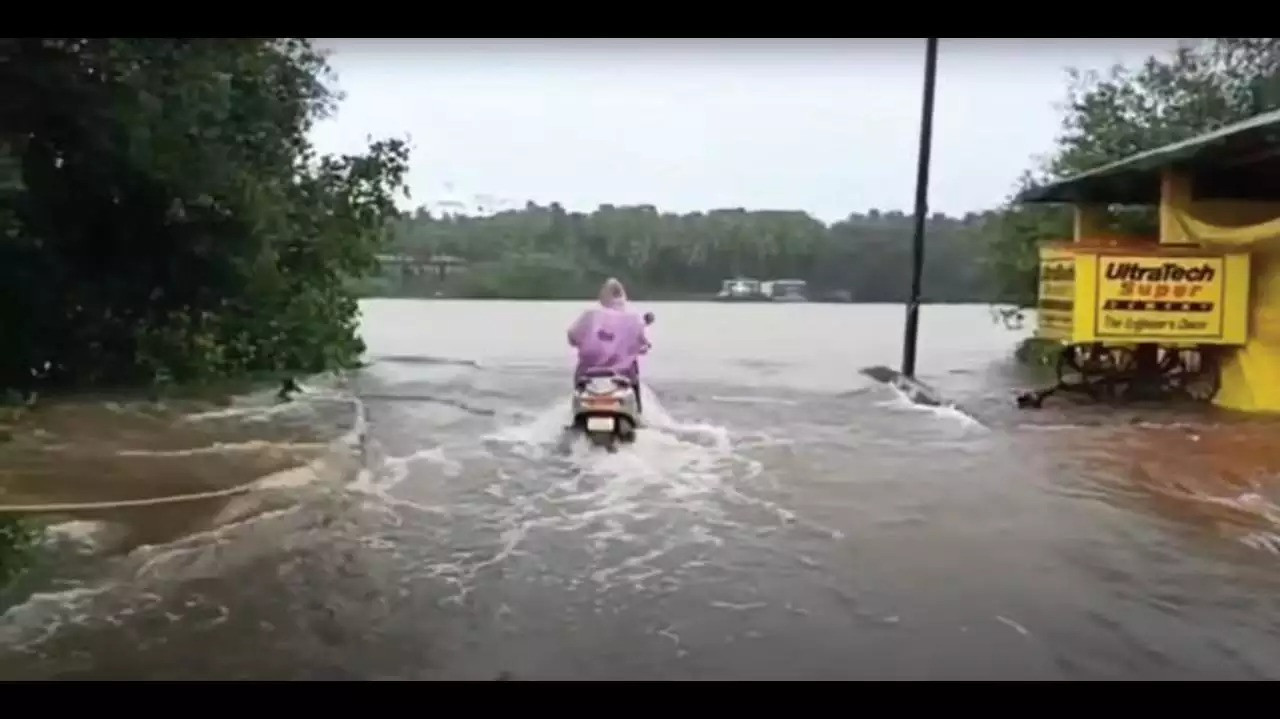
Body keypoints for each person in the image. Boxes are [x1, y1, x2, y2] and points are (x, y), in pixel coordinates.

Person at [567, 278, 650, 410]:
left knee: (579, 389)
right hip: (622, 376)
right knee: (634, 380)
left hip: (588, 375)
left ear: (604, 294)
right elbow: (643, 344)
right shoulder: (635, 318)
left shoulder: (590, 315)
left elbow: (571, 336)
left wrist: (579, 342)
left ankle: (576, 413)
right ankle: (638, 413)